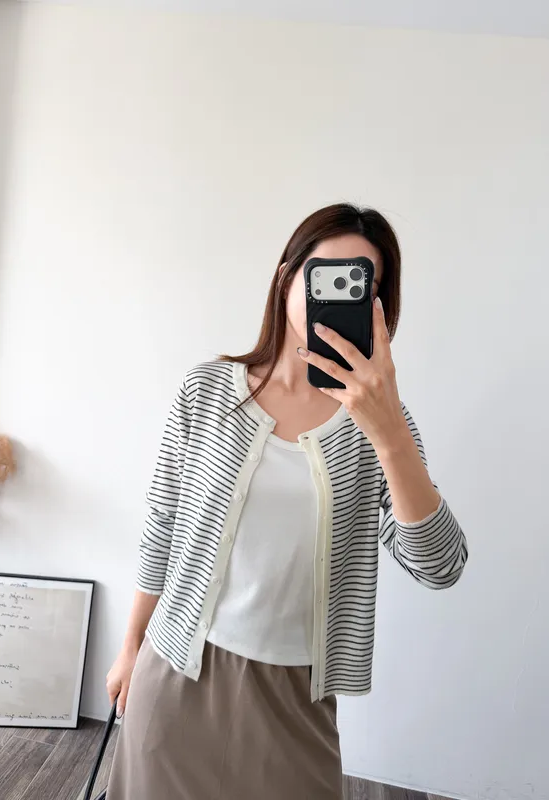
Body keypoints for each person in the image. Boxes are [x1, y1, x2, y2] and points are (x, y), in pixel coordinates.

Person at [105, 203, 468, 800]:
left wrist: (389, 434)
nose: (340, 296)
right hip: (175, 674)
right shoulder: (206, 390)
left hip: (296, 697)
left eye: (361, 284)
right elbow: (161, 529)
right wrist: (129, 649)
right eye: (325, 277)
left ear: (379, 306)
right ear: (286, 279)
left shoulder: (381, 424)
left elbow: (440, 566)